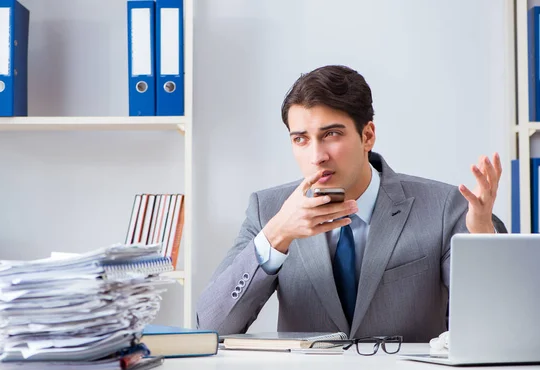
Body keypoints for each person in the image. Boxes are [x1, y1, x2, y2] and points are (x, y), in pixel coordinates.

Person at [195, 65, 505, 342]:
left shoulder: (444, 207)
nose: (317, 156)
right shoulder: (268, 209)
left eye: (331, 134)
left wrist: (482, 238)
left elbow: (495, 325)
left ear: (367, 135)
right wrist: (276, 237)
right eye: (300, 139)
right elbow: (211, 327)